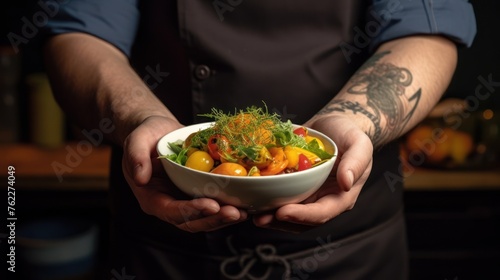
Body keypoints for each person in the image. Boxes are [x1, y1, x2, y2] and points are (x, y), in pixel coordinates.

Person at [41, 0, 476, 279]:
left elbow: (427, 29)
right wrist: (142, 118)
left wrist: (352, 120)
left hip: (351, 250)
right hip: (165, 249)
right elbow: (79, 32)